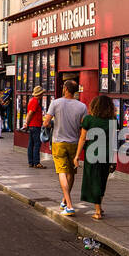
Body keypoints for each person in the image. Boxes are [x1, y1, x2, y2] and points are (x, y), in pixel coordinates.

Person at [43, 80, 87, 214]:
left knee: (61, 172)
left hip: (59, 142)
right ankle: (64, 201)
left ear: (66, 89)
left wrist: (51, 124)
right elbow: (83, 126)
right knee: (71, 173)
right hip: (74, 143)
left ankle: (69, 205)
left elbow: (46, 122)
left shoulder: (56, 103)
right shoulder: (82, 106)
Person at [75, 94, 118, 219]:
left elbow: (82, 138)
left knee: (94, 181)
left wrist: (77, 155)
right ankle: (99, 206)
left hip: (92, 154)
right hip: (107, 155)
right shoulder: (113, 120)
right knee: (102, 180)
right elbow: (113, 140)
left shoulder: (89, 119)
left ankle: (98, 211)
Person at [25, 86, 45, 168]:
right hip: (35, 126)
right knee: (36, 144)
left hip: (33, 125)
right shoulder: (35, 101)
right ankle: (36, 162)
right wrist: (26, 122)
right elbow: (30, 113)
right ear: (39, 94)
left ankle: (31, 162)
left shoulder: (32, 100)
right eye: (42, 93)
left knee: (31, 144)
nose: (43, 95)